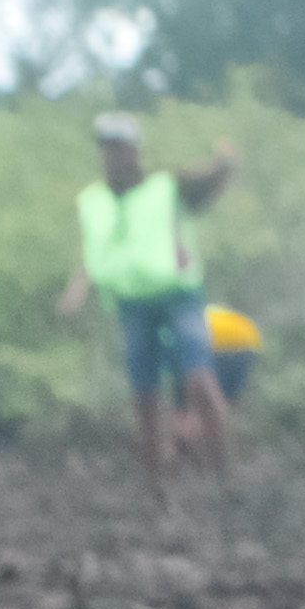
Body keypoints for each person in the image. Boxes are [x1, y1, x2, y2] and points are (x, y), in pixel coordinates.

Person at [56, 113, 241, 494]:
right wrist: (77, 291)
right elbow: (94, 253)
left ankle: (226, 477)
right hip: (131, 303)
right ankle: (157, 483)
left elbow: (206, 184)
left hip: (178, 296)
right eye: (107, 148)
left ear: (135, 151)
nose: (113, 156)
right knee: (144, 394)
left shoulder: (165, 186)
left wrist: (224, 163)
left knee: (200, 381)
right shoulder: (93, 201)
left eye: (120, 148)